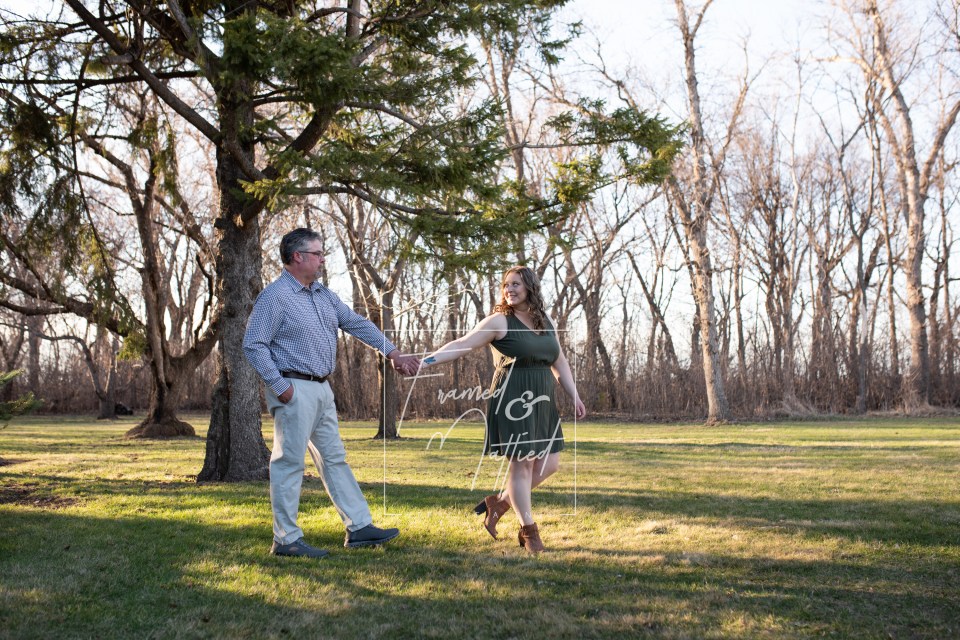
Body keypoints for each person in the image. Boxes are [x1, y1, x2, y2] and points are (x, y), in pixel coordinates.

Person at [244, 228, 420, 559]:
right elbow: (254, 344)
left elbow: (357, 324)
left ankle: (359, 527)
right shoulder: (275, 296)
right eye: (317, 253)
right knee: (289, 463)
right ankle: (286, 539)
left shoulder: (323, 295)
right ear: (297, 257)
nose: (323, 259)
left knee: (334, 459)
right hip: (293, 388)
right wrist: (280, 386)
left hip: (323, 390)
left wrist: (393, 353)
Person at [419, 265, 586, 553]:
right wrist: (425, 362)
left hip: (543, 400)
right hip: (513, 399)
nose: (509, 289)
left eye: (516, 284)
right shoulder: (499, 321)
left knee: (550, 464)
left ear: (530, 287)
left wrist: (575, 396)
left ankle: (498, 504)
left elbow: (559, 361)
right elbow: (462, 344)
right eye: (506, 285)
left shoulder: (545, 320)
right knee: (522, 465)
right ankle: (529, 532)